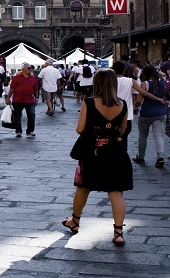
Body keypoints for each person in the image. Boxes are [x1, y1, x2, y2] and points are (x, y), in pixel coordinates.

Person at [62, 69, 131, 246]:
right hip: (117, 152)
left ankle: (75, 222)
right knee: (116, 192)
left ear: (97, 83)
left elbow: (80, 129)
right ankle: (118, 233)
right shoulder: (122, 104)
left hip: (93, 152)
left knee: (83, 187)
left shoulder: (89, 102)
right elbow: (122, 131)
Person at [134, 65, 168, 168]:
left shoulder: (145, 84)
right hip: (160, 112)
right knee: (158, 135)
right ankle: (160, 157)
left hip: (146, 113)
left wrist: (135, 107)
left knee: (143, 135)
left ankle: (141, 156)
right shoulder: (163, 82)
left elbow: (139, 101)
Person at [6, 63, 38, 138]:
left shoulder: (33, 78)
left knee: (32, 115)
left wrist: (36, 99)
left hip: (30, 100)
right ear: (23, 69)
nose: (30, 70)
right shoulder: (16, 78)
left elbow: (36, 89)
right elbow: (11, 89)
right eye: (29, 68)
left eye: (31, 68)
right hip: (18, 100)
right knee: (17, 116)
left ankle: (30, 131)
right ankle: (18, 131)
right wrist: (8, 98)